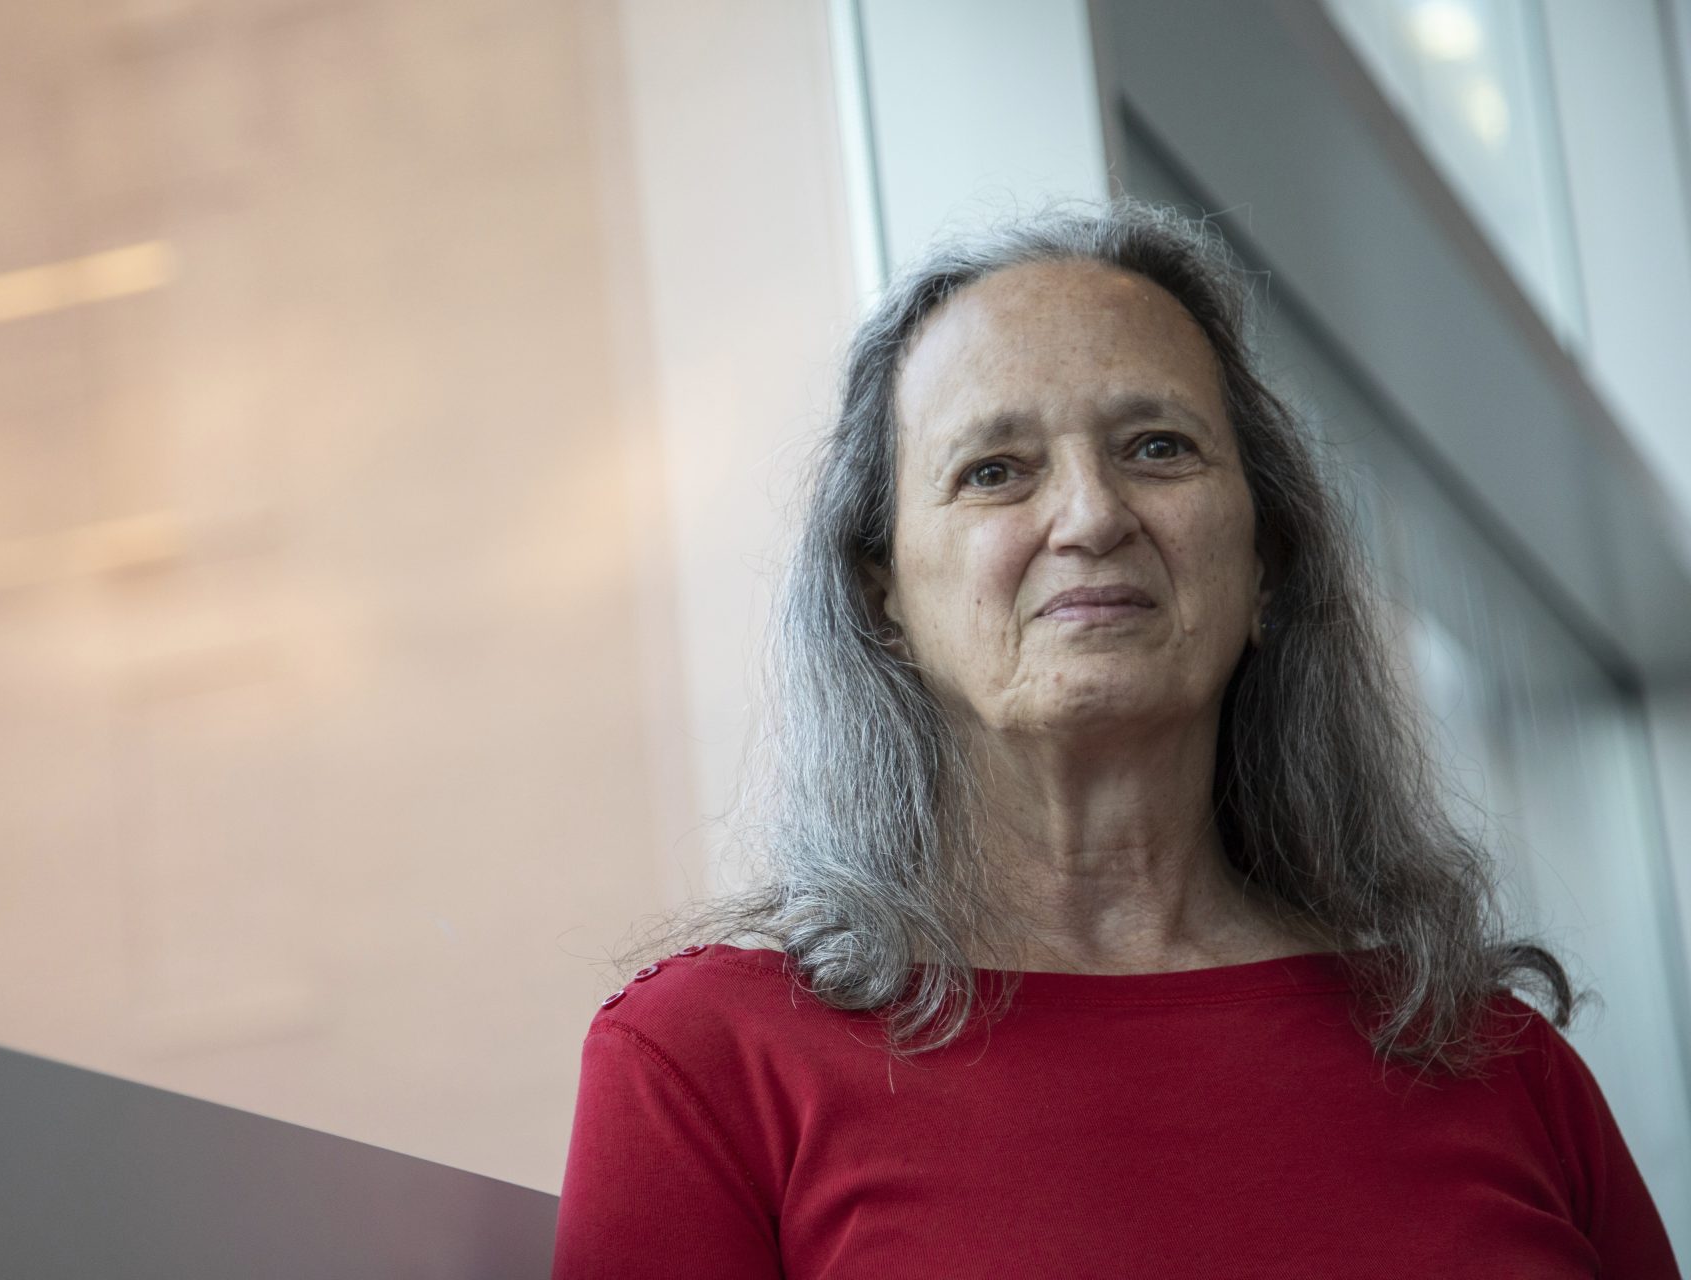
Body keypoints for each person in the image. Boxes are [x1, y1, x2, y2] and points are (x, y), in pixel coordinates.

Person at [550, 198, 1681, 1277]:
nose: (1091, 515)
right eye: (996, 470)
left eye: (1157, 447)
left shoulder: (1498, 1064)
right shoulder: (707, 1065)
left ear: (1266, 564)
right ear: (881, 592)